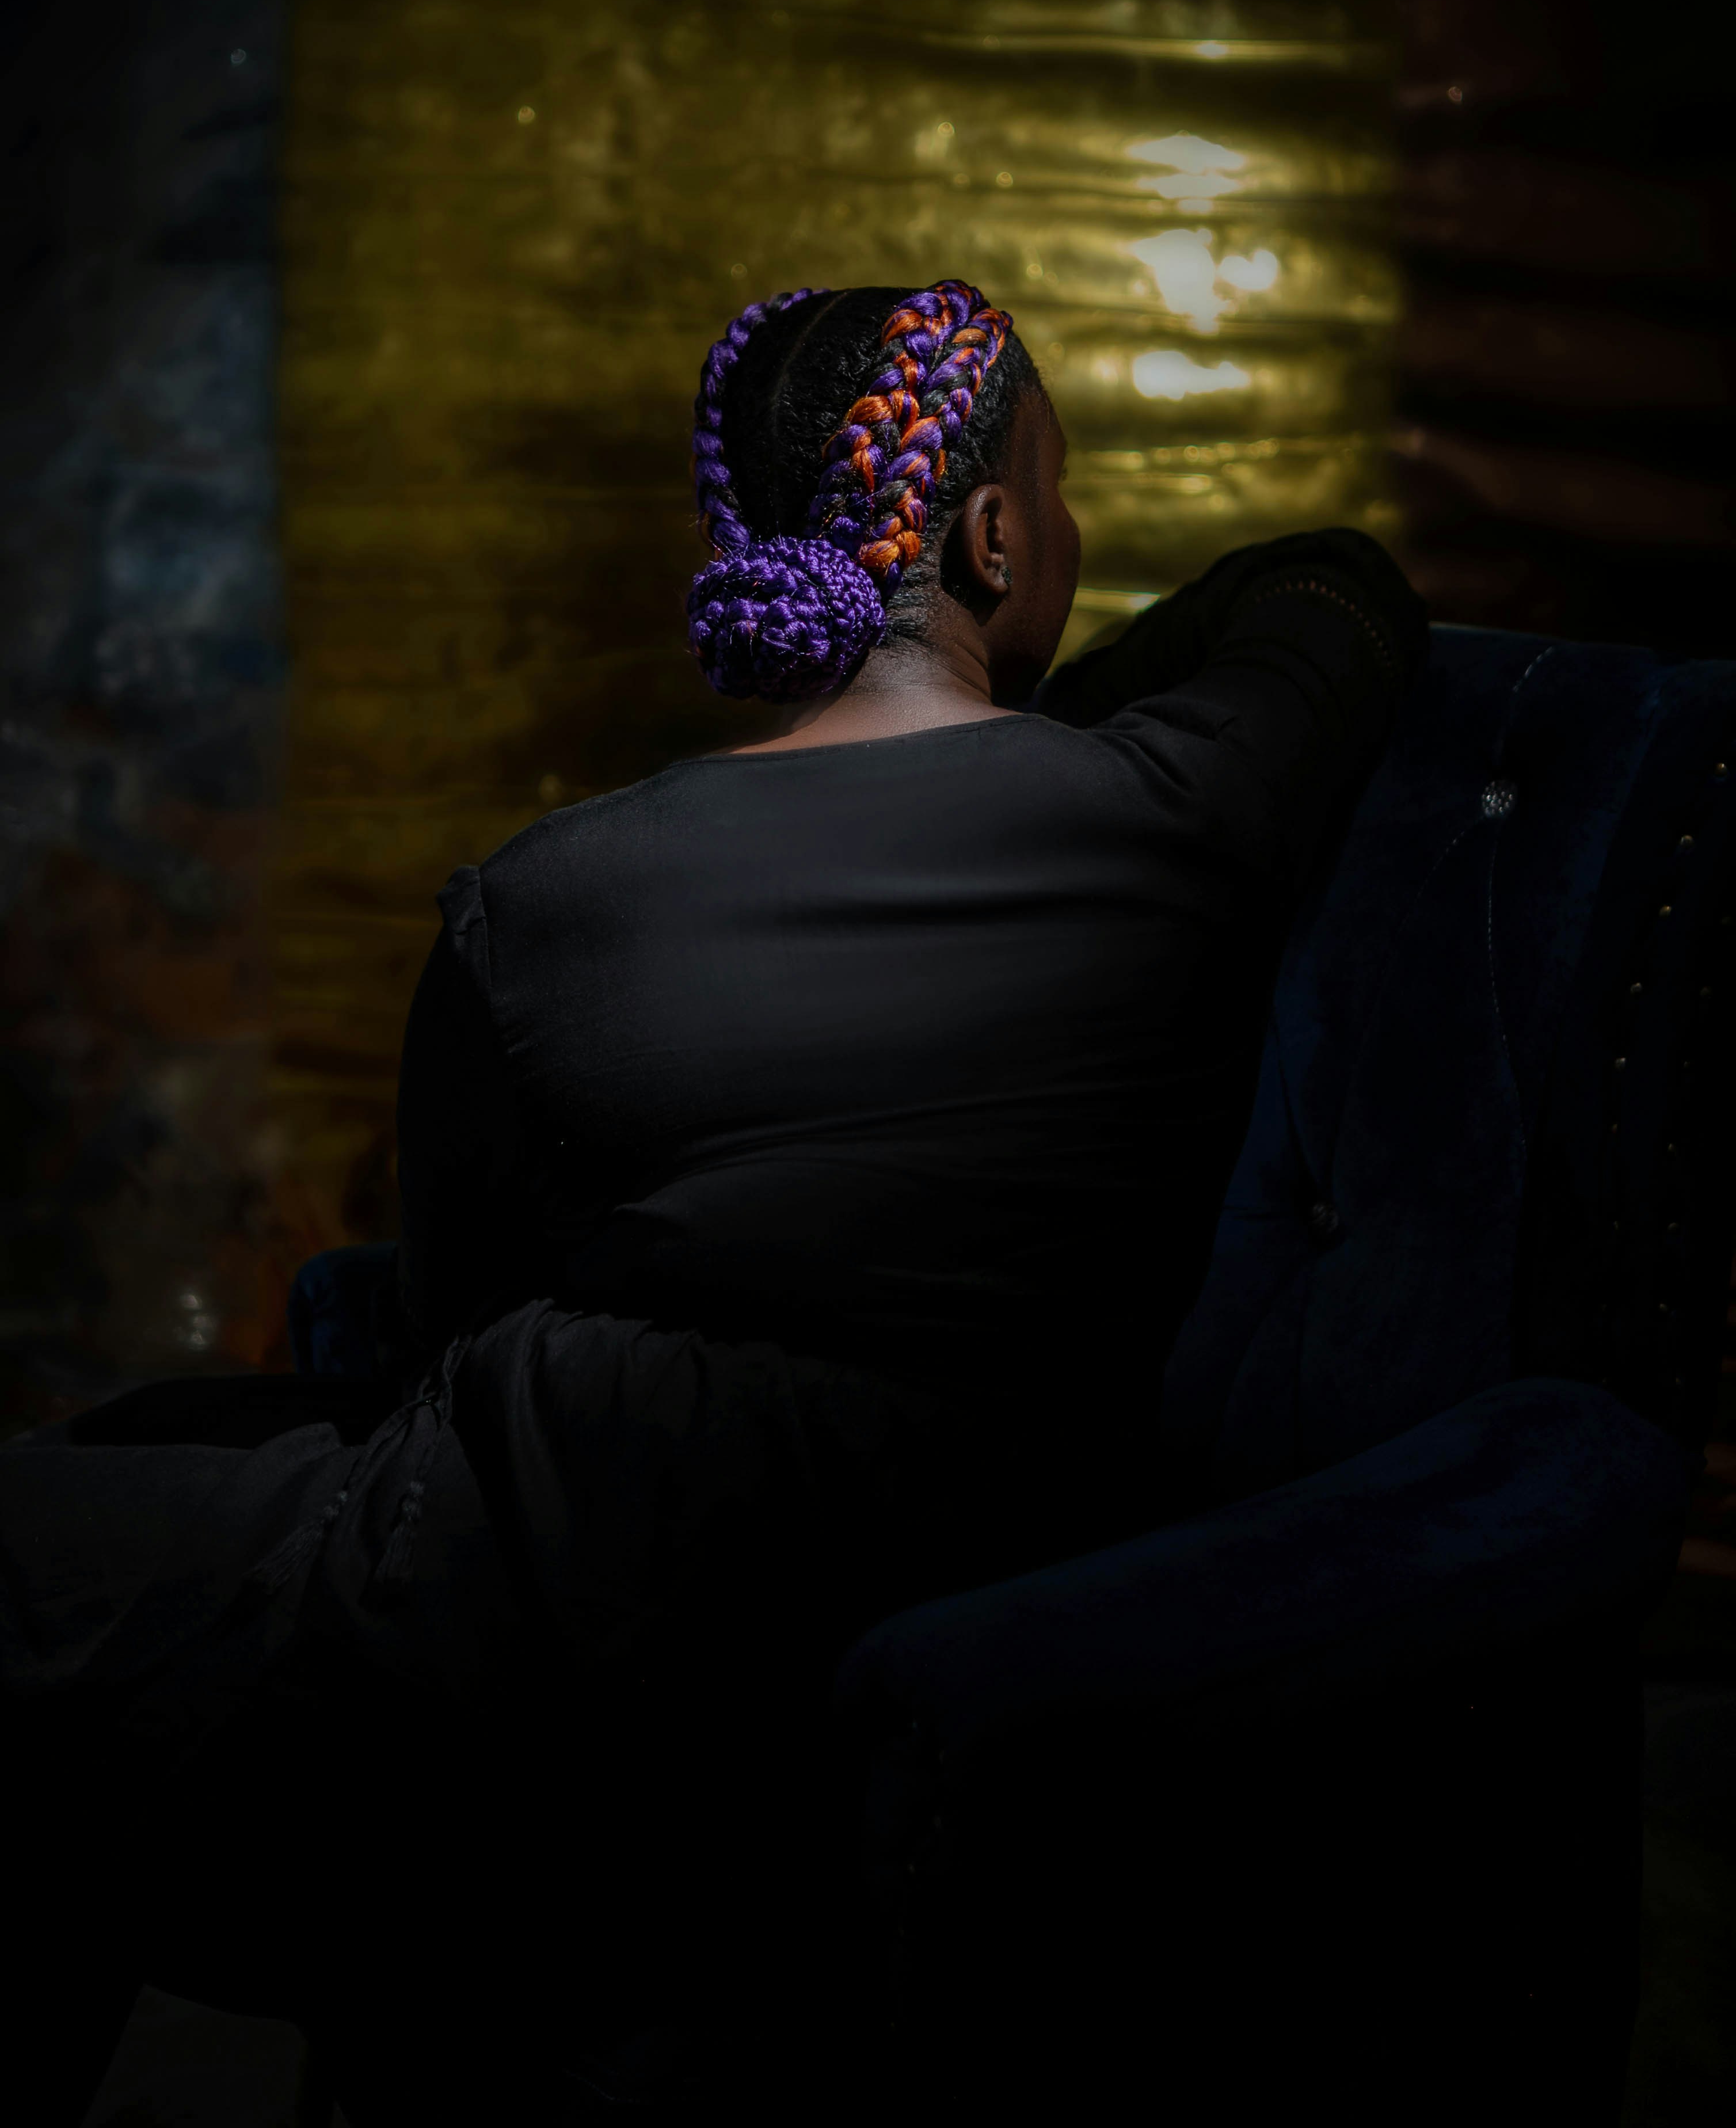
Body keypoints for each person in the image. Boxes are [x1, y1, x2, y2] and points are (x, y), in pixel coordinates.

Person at [2, 280, 1425, 2125]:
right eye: (1054, 503)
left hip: (520, 1597)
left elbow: (459, 1306)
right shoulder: (1180, 806)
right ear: (999, 534)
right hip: (896, 1583)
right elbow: (1326, 590)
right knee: (144, 1459)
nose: (1065, 534)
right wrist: (1055, 706)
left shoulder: (548, 899)